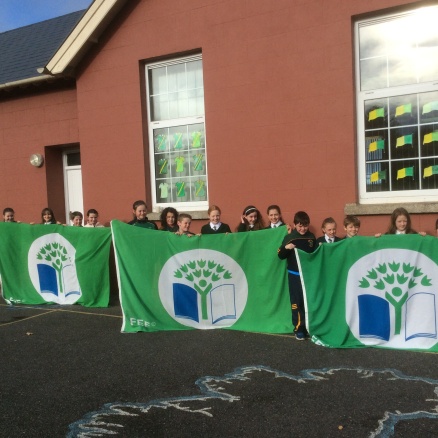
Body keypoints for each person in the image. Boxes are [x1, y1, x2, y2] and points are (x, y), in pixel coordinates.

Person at [277, 211, 316, 341]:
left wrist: (320, 247)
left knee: (308, 302)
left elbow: (316, 255)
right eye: (300, 226)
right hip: (295, 276)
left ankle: (309, 328)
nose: (302, 229)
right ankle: (299, 328)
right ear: (294, 225)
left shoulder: (311, 237)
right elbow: (280, 255)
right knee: (297, 302)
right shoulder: (290, 238)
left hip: (308, 276)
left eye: (305, 226)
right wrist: (286, 248)